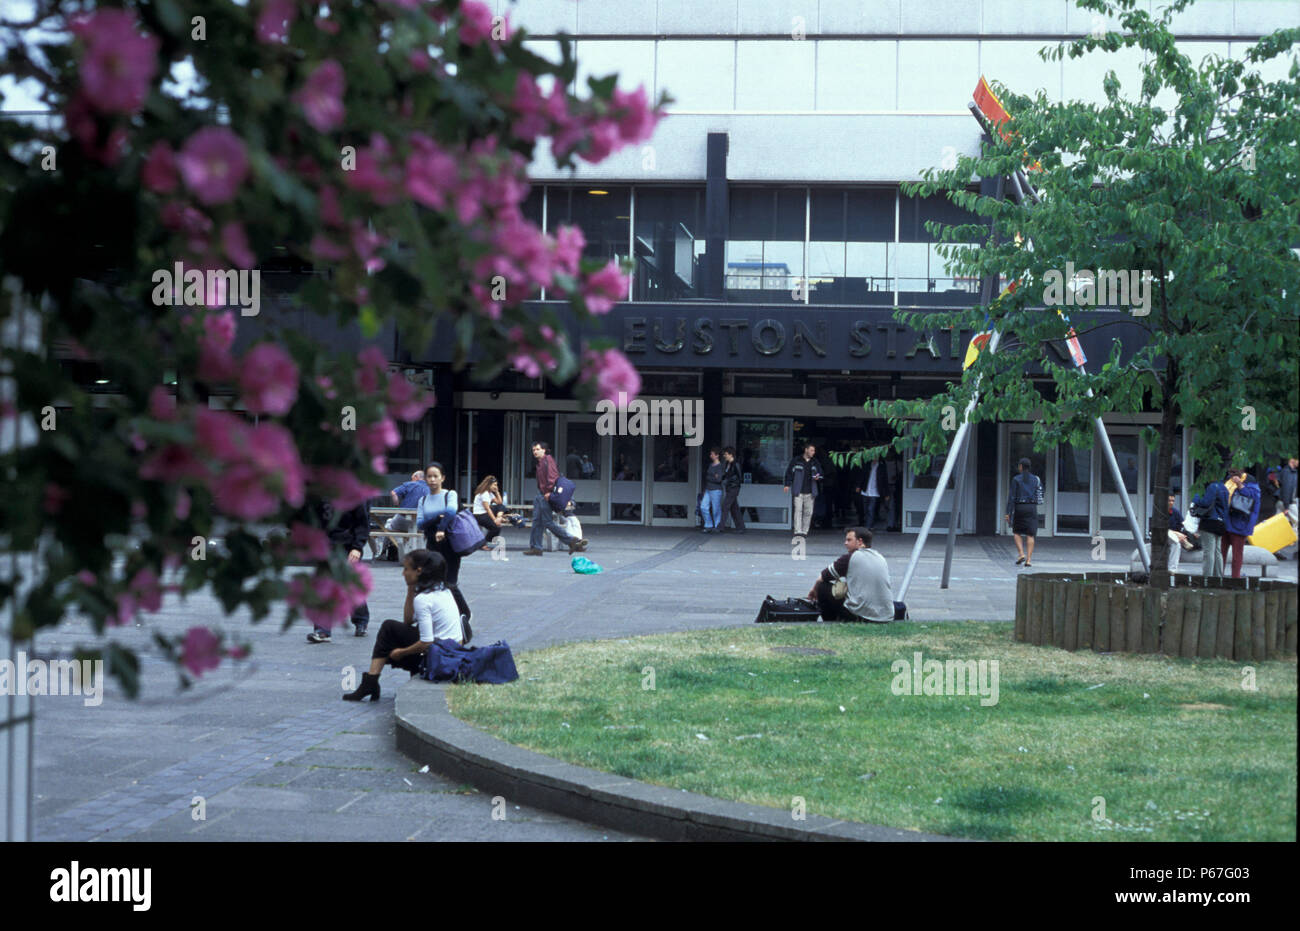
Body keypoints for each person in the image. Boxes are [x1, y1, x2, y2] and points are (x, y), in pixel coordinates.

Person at [342, 549, 464, 702]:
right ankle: (371, 682)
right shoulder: (443, 591)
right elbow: (408, 621)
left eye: (406, 569)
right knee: (393, 630)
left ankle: (371, 682)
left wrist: (401, 652)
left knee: (388, 628)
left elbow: (426, 641)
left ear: (418, 571)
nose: (403, 574)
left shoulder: (425, 599)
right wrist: (410, 589)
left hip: (440, 657)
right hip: (449, 654)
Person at [306, 496, 371, 643]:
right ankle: (322, 630)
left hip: (349, 547)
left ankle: (361, 620)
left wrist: (357, 547)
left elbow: (362, 524)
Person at [416, 462, 472, 622]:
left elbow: (450, 512)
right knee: (432, 580)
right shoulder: (423, 500)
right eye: (429, 476)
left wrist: (441, 528)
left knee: (449, 582)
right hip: (432, 545)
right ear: (425, 479)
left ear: (443, 478)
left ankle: (465, 614)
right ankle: (441, 615)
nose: (432, 480)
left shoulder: (450, 494)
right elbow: (420, 523)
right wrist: (436, 518)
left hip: (450, 544)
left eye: (436, 476)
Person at [806, 527, 894, 623]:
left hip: (861, 616)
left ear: (860, 542)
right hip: (886, 616)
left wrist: (813, 590)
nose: (845, 543)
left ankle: (829, 622)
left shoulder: (850, 558)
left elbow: (821, 578)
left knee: (822, 588)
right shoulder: (880, 557)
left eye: (849, 540)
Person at [522, 441, 588, 556]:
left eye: (537, 449)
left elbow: (553, 477)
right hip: (540, 495)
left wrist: (549, 493)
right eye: (533, 450)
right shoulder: (540, 463)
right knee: (537, 521)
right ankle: (536, 547)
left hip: (545, 495)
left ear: (544, 450)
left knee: (547, 522)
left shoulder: (548, 460)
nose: (535, 452)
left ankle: (571, 540)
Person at [370, 470, 428, 560]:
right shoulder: (431, 488)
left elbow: (393, 492)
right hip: (422, 523)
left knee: (388, 524)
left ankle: (383, 552)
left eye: (412, 478)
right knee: (414, 531)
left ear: (416, 477)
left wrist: (396, 503)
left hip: (404, 520)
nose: (411, 480)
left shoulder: (410, 484)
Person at [1222, 468, 1261, 579]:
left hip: (1241, 523)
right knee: (1221, 553)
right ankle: (1218, 577)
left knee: (1237, 555)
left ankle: (1235, 578)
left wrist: (1239, 484)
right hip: (1226, 521)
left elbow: (1252, 497)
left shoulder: (1250, 480)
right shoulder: (1228, 480)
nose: (1231, 474)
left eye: (1234, 471)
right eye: (1230, 472)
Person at [1193, 470, 1232, 577]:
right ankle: (1218, 576)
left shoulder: (1212, 487)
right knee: (1217, 551)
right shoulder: (1224, 488)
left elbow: (1205, 502)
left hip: (1209, 522)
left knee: (1208, 552)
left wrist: (1196, 497)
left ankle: (1207, 578)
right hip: (1220, 523)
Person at [1005, 457, 1041, 567]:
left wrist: (1008, 513)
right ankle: (1029, 560)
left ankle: (1021, 553)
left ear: (1021, 466)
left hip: (1020, 507)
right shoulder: (1036, 479)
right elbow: (1040, 493)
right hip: (1031, 507)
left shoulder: (1016, 479)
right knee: (1030, 534)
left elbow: (1012, 497)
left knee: (1017, 532)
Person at [783, 443, 824, 537]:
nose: (813, 452)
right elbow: (789, 472)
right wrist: (787, 484)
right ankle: (797, 531)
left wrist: (819, 477)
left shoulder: (815, 462)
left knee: (808, 512)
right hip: (798, 490)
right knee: (798, 511)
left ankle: (805, 531)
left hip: (811, 491)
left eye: (814, 451)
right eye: (811, 450)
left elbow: (821, 473)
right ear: (806, 450)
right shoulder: (796, 460)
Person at [471, 475, 522, 545]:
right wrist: (494, 520)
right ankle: (484, 543)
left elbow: (499, 503)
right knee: (496, 527)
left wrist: (497, 492)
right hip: (480, 515)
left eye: (496, 485)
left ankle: (499, 518)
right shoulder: (484, 493)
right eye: (494, 485)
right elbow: (487, 509)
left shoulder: (490, 493)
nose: (495, 486)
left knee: (501, 506)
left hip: (485, 513)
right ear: (489, 485)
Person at [1155, 494, 1193, 572]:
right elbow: (1161, 528)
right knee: (1169, 533)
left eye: (1173, 501)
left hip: (1173, 538)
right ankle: (1183, 541)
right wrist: (1178, 534)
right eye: (1169, 500)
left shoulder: (1175, 512)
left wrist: (1185, 534)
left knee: (1177, 544)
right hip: (1161, 535)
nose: (1171, 503)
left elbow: (1183, 524)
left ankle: (1172, 570)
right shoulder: (1159, 511)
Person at [720, 446, 745, 533]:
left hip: (733, 488)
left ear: (731, 455)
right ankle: (741, 527)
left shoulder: (736, 464)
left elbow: (738, 477)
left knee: (725, 506)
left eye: (726, 454)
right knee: (734, 508)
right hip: (730, 487)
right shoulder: (728, 464)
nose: (724, 456)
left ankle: (720, 527)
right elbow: (727, 475)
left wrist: (728, 481)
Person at [700, 446, 725, 533]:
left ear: (717, 455)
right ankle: (709, 525)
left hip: (716, 490)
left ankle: (717, 526)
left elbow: (718, 480)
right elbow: (710, 477)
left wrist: (710, 477)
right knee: (703, 506)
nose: (710, 455)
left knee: (716, 509)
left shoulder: (720, 466)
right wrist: (712, 476)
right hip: (708, 489)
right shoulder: (711, 465)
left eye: (712, 454)